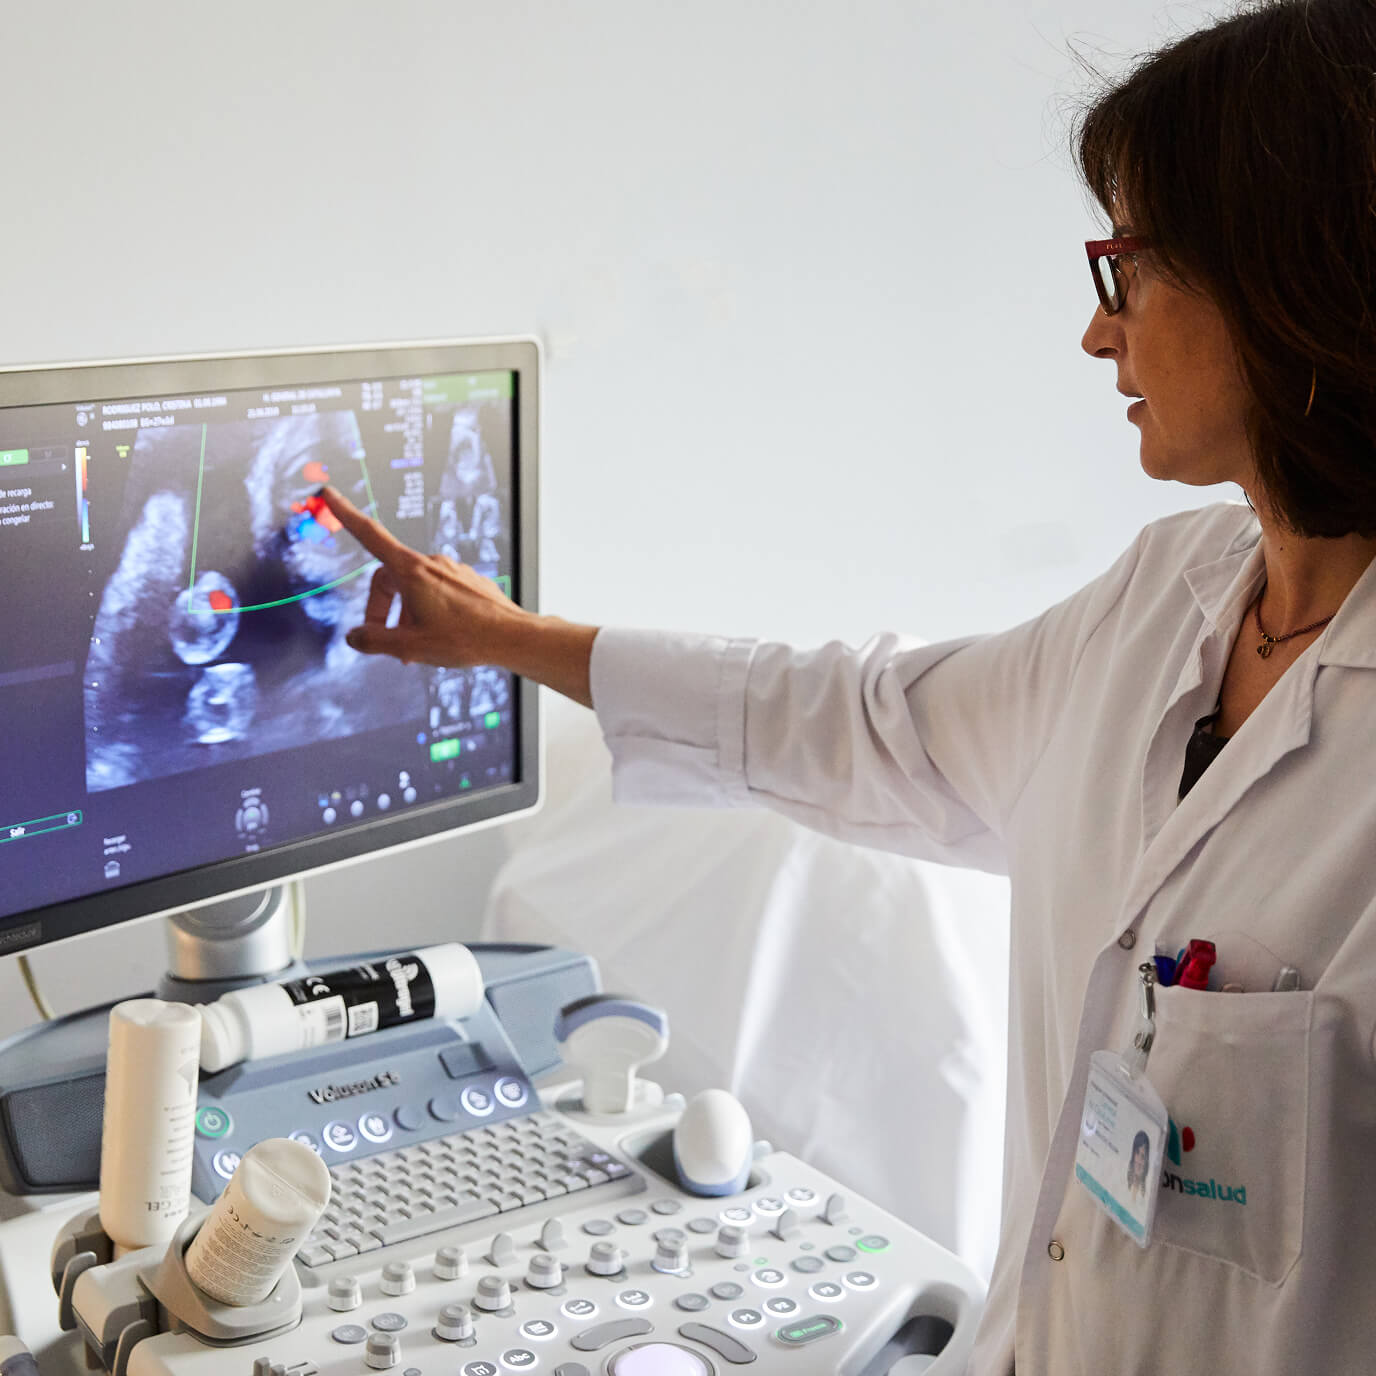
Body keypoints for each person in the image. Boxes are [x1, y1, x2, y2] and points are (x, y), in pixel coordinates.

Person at [320, 2, 1376, 1369]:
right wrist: (517, 640)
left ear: (1283, 277)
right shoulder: (1164, 598)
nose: (1096, 336)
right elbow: (867, 725)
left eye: (1127, 270)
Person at [1126, 1130, 1150, 1203]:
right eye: (1137, 1153)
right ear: (1133, 1154)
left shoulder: (1146, 1195)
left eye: (1143, 1156)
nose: (1139, 1161)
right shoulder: (1124, 1183)